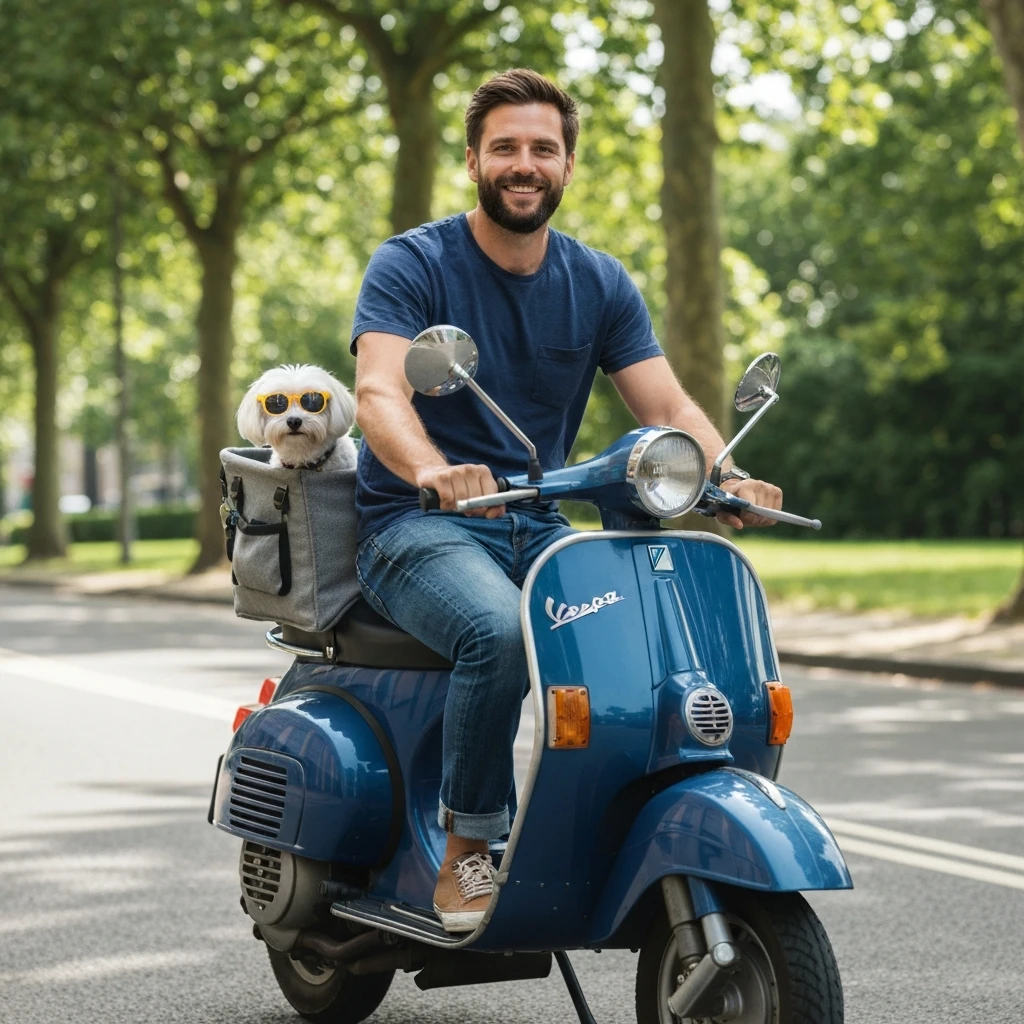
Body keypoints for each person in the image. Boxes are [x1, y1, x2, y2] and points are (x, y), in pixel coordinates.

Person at [351, 68, 782, 933]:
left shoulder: (599, 281)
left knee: (646, 658)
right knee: (499, 632)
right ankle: (471, 850)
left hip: (540, 521)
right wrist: (433, 469)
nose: (524, 163)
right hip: (420, 526)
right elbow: (379, 394)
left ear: (567, 166)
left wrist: (723, 477)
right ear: (473, 160)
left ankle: (622, 830)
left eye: (542, 148)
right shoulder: (413, 262)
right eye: (504, 147)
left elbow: (668, 409)